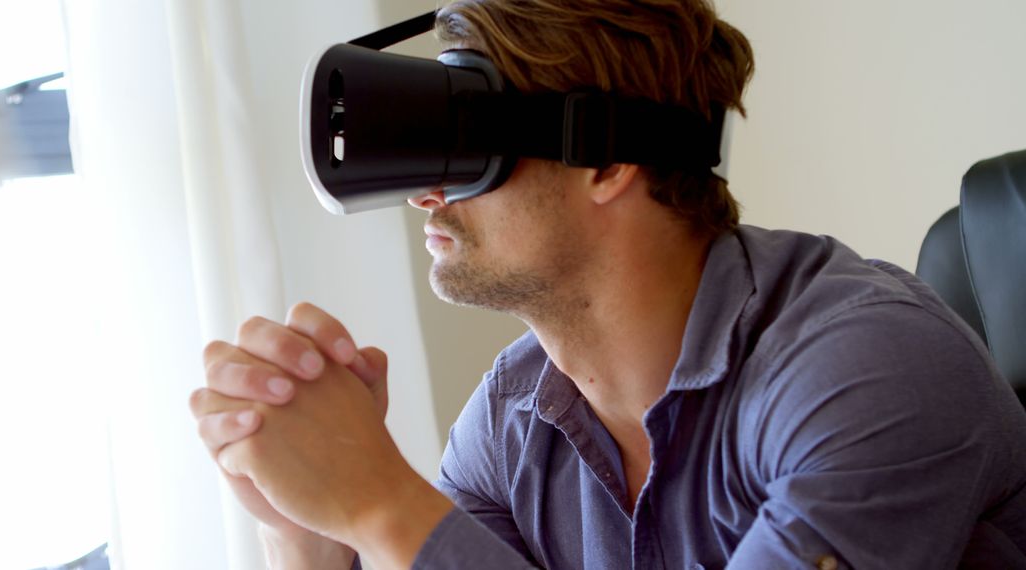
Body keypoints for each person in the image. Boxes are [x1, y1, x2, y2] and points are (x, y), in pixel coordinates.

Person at [188, 0, 1026, 568]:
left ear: (608, 158)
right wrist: (315, 535)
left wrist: (380, 503)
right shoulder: (514, 422)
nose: (426, 191)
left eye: (463, 138)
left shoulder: (872, 371)